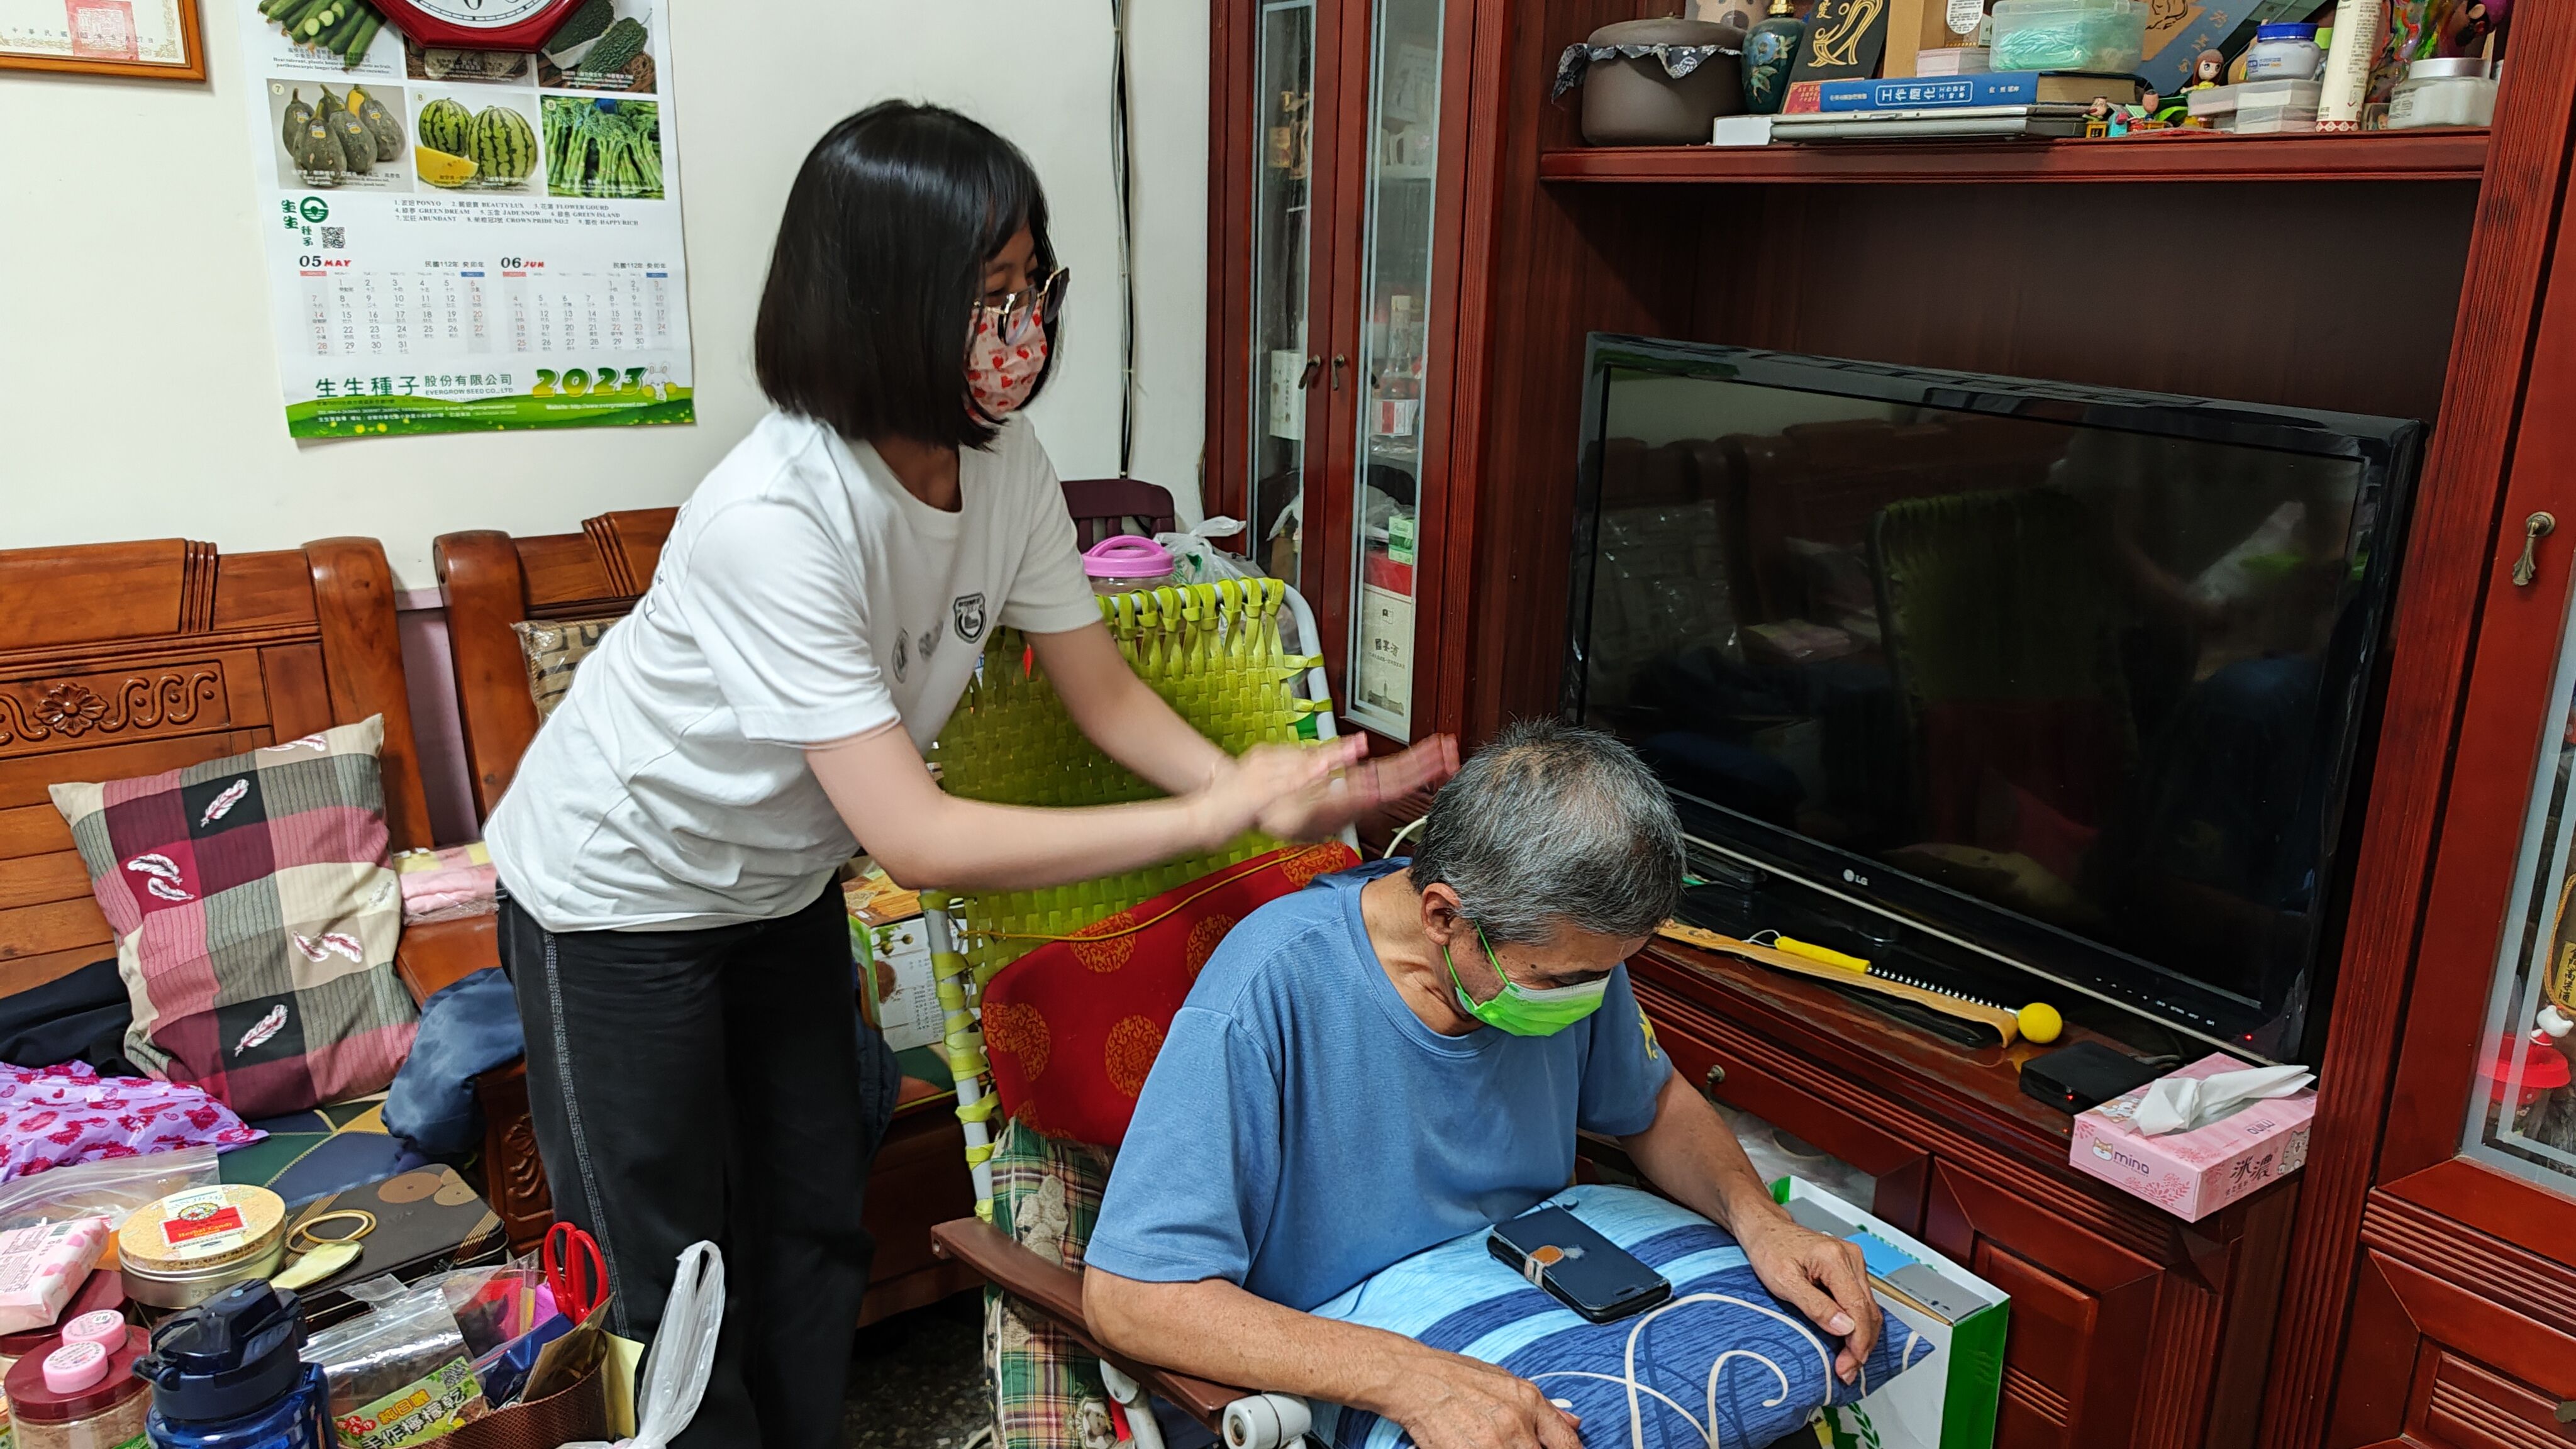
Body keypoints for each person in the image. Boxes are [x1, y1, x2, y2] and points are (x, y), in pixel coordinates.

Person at [482, 101, 1455, 1449]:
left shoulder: (1005, 466)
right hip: (617, 898)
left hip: (775, 890)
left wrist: (1264, 784)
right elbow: (917, 836)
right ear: (874, 300)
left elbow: (1101, 688)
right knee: (668, 1278)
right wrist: (1215, 808)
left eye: (1030, 283)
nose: (1021, 327)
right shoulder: (780, 516)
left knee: (816, 1213)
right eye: (984, 292)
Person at [1083, 720, 1880, 1449]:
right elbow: (1131, 1297)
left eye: (1607, 973)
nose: (1586, 997)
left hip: (1525, 1296)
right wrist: (1406, 1376)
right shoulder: (1271, 990)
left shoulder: (1566, 960)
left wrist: (1760, 1219)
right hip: (1336, 1362)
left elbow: (1654, 1104)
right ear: (1441, 916)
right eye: (1562, 977)